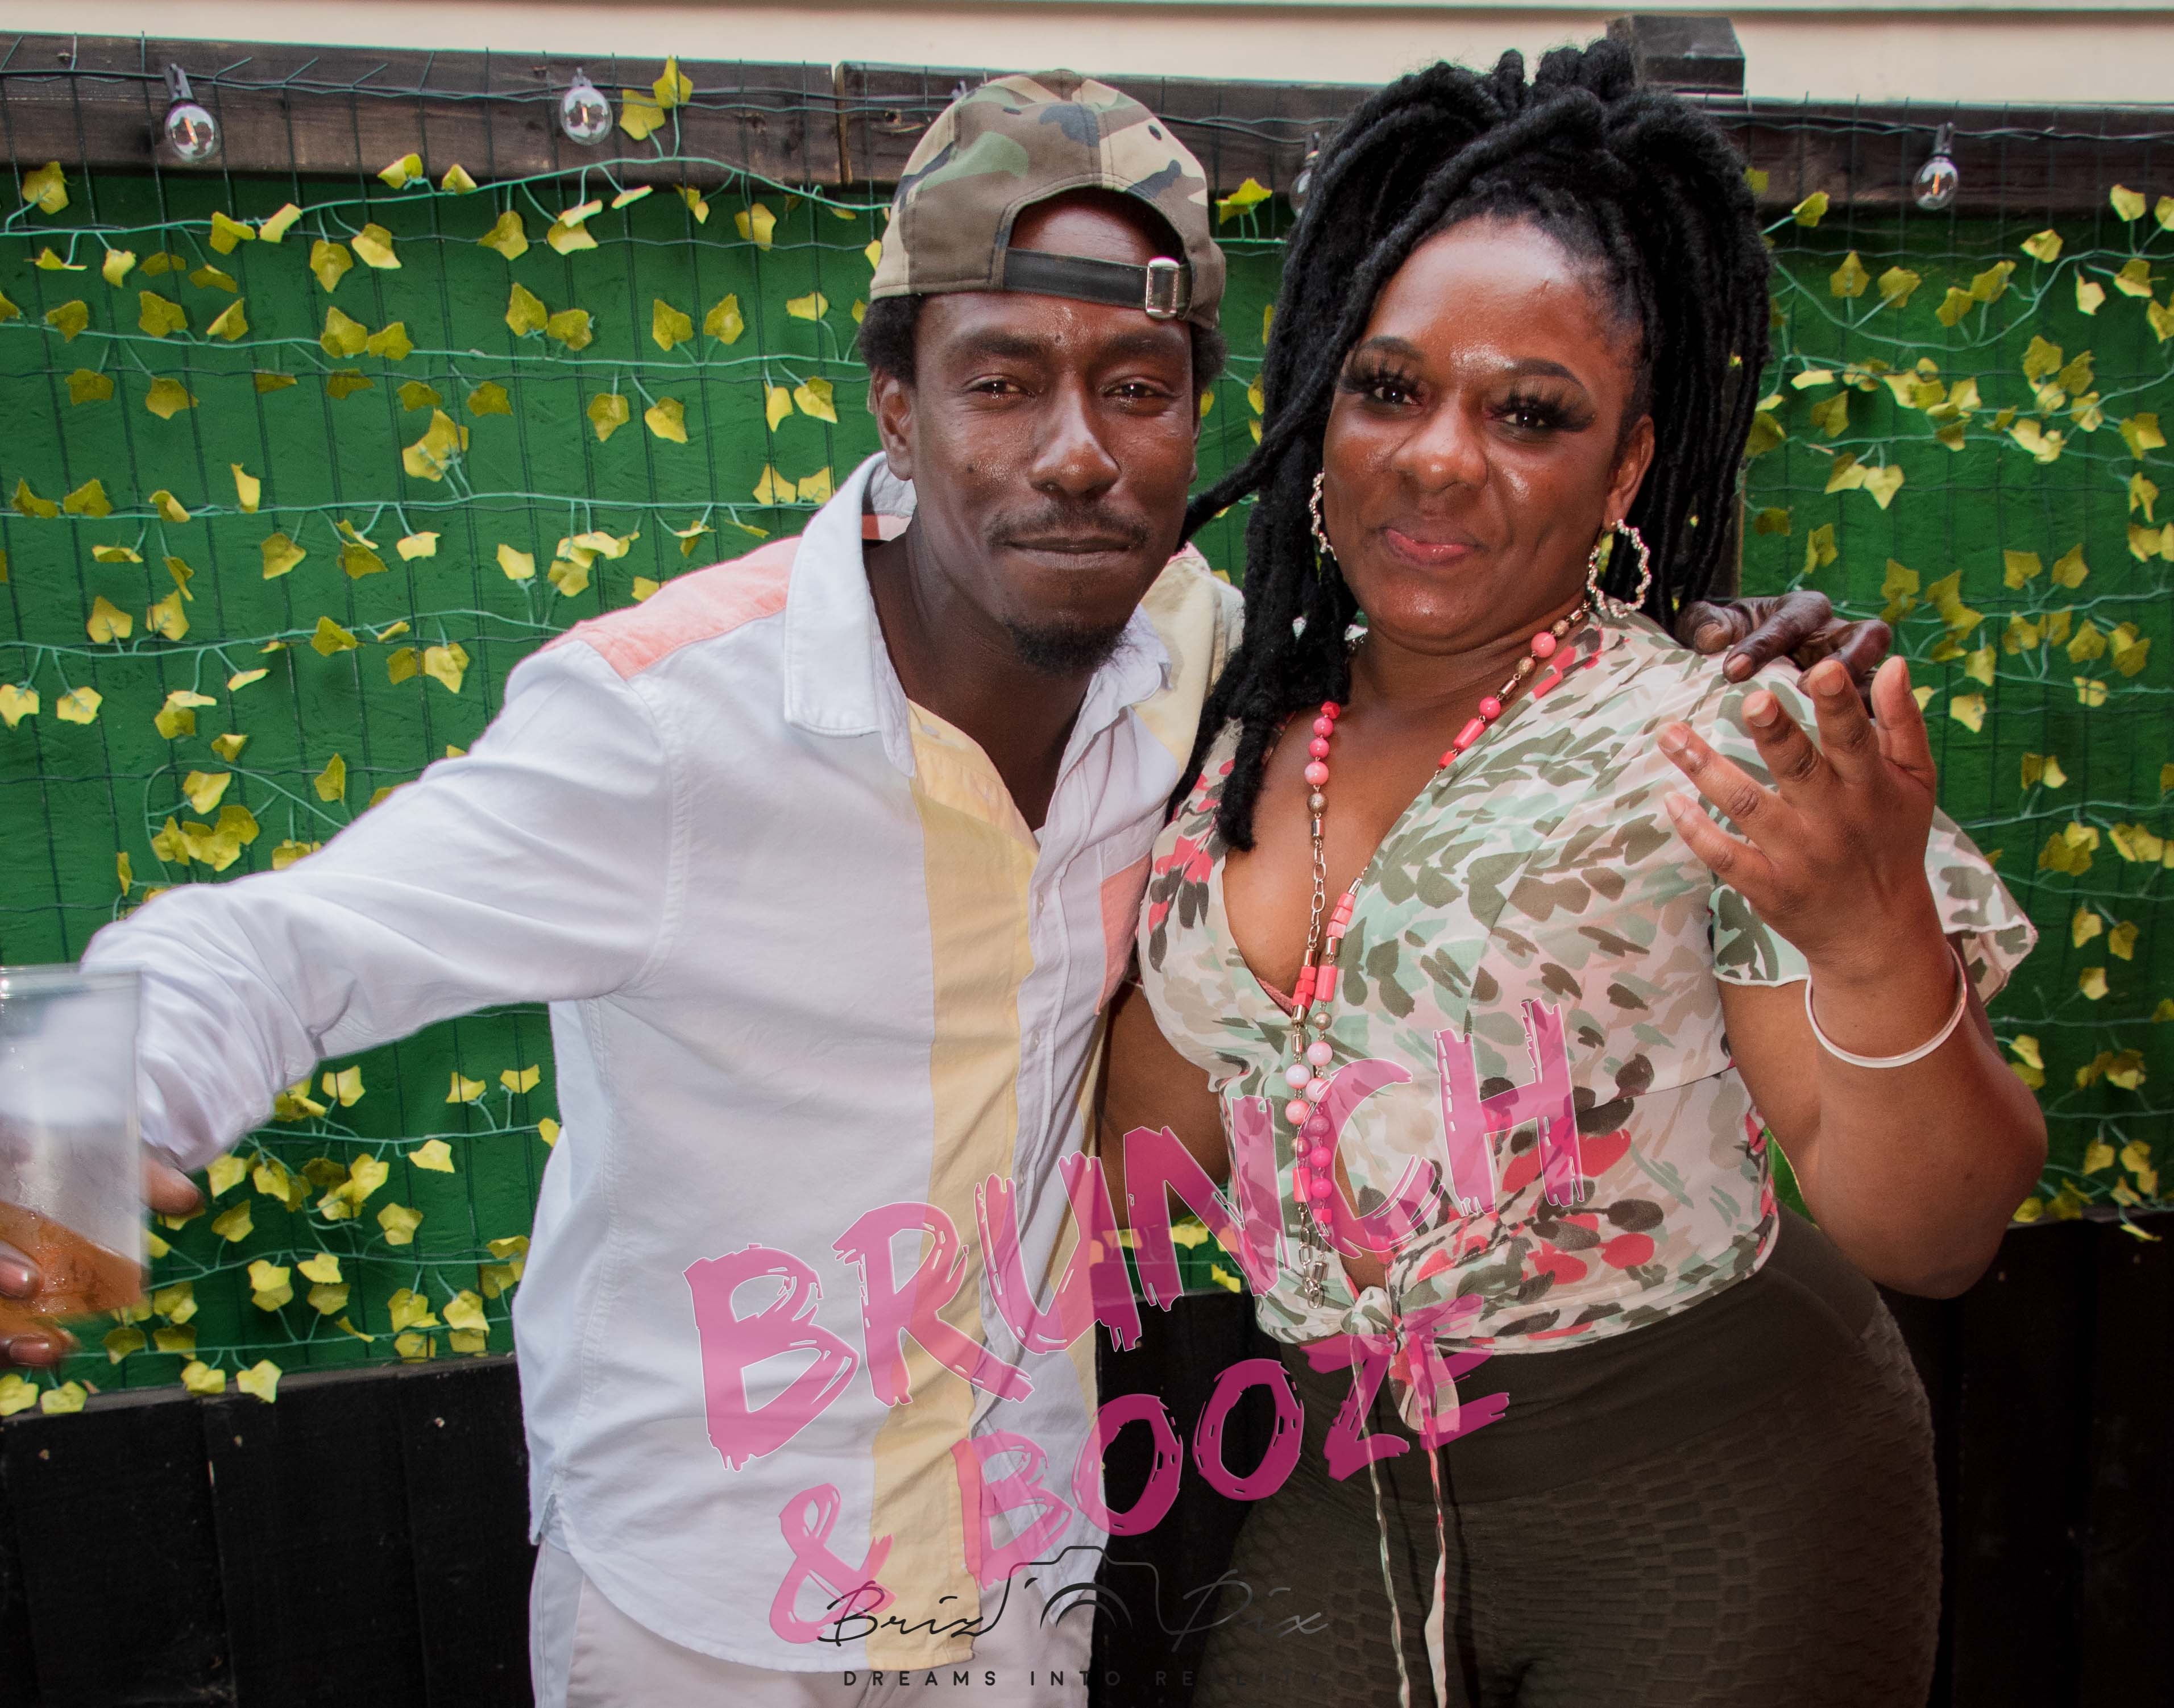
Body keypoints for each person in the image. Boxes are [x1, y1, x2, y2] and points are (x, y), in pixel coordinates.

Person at [1, 71, 1874, 1708]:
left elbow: (1454, 647)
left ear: (1208, 419)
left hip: (1019, 1561)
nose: (1076, 452)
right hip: (705, 1599)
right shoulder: (671, 725)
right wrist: (51, 1137)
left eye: (1136, 388)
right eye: (1002, 380)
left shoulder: (1198, 666)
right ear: (895, 403)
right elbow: (282, 943)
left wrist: (1697, 631)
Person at [1101, 43, 2045, 1708]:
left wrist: (1872, 931)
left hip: (1713, 1499)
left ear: (1624, 472)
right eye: (1389, 389)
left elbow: (1938, 1231)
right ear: (1319, 404)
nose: (1440, 458)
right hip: (1343, 1481)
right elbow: (1145, 1157)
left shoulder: (1722, 736)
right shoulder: (1219, 718)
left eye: (1531, 413)